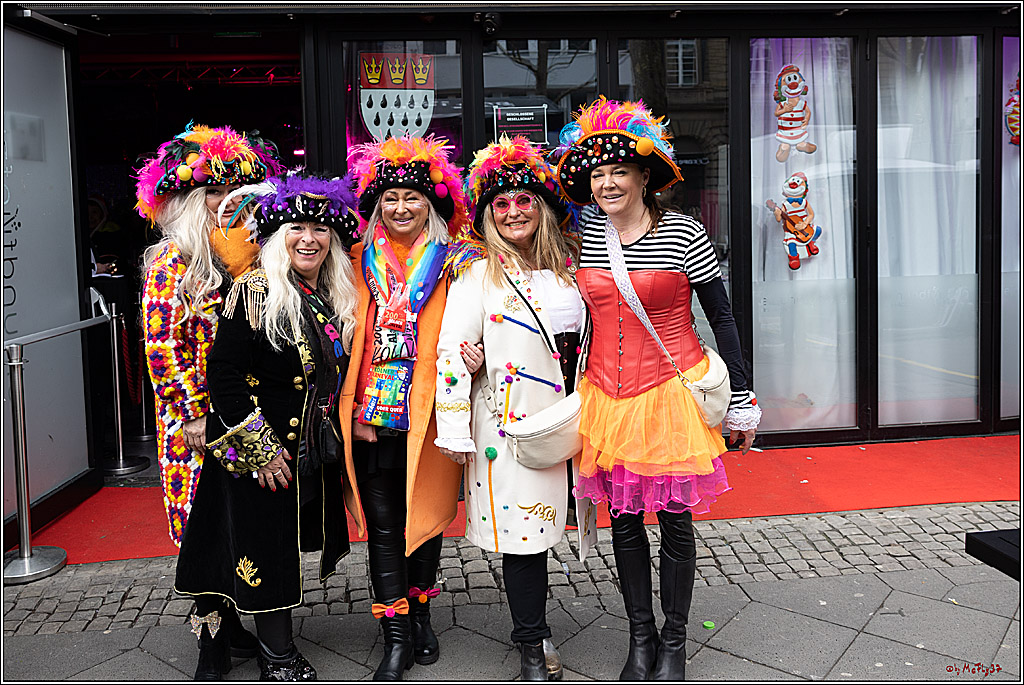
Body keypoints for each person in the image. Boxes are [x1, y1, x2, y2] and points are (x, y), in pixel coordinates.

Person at [553, 98, 762, 680]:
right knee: (622, 522)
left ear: (646, 176)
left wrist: (741, 399)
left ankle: (673, 642)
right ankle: (639, 637)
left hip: (669, 391)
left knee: (673, 520)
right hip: (605, 395)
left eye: (620, 170)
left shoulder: (686, 230)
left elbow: (722, 318)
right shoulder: (580, 239)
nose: (607, 181)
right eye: (597, 173)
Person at [174, 171, 363, 680]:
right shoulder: (256, 291)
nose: (309, 238)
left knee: (264, 543)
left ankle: (232, 644)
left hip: (300, 448)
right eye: (297, 228)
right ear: (278, 238)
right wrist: (260, 446)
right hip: (258, 450)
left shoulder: (330, 293)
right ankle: (276, 656)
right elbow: (224, 374)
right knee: (258, 546)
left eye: (321, 229)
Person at [435, 135, 589, 680]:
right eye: (500, 204)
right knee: (526, 539)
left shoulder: (574, 267)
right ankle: (532, 639)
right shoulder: (476, 273)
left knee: (582, 524)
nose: (513, 211)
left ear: (542, 207)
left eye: (524, 200)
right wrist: (455, 430)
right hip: (513, 424)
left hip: (579, 419)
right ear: (485, 215)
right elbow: (452, 352)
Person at [137, 123, 283, 667]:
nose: (224, 202)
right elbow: (161, 348)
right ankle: (212, 646)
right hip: (195, 422)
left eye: (233, 192)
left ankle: (240, 627)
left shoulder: (246, 259)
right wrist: (192, 412)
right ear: (188, 201)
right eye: (212, 192)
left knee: (240, 519)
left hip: (244, 415)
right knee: (202, 526)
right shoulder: (172, 260)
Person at [343, 135, 468, 680]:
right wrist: (348, 411)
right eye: (390, 197)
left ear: (431, 205)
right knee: (385, 525)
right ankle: (394, 632)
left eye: (412, 198)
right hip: (371, 416)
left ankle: (421, 614)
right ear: (376, 206)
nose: (400, 208)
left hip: (431, 416)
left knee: (427, 520)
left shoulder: (457, 263)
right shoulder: (351, 263)